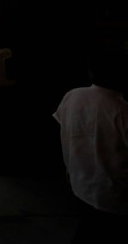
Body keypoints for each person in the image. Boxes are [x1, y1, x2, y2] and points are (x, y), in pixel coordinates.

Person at [53, 47, 128, 241]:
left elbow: (65, 129)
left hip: (80, 184)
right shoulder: (121, 109)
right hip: (115, 195)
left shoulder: (73, 96)